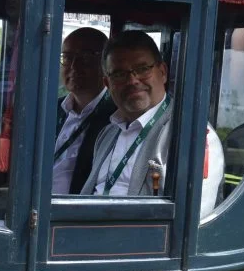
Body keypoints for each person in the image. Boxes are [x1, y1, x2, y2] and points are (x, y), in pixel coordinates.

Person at [81, 31, 224, 218]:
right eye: (119, 74)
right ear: (107, 83)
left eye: (142, 69)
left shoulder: (192, 134)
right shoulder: (107, 133)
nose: (132, 80)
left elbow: (191, 221)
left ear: (163, 72)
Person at [53, 27, 116, 194]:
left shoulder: (116, 117)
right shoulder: (49, 110)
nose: (74, 66)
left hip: (74, 214)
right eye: (67, 57)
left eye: (85, 57)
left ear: (105, 63)